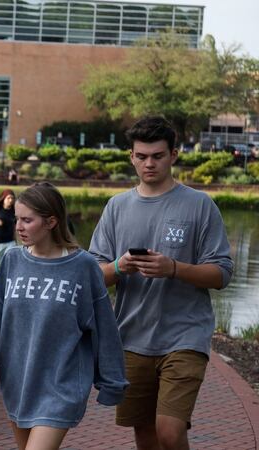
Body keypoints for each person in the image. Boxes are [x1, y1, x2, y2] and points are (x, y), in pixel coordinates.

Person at [88, 116, 233, 450]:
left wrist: (173, 268)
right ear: (131, 157)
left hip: (185, 336)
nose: (148, 163)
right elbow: (94, 275)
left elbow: (222, 273)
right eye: (141, 156)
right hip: (131, 337)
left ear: (174, 156)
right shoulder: (116, 207)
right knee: (146, 435)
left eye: (157, 155)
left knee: (169, 431)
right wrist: (120, 267)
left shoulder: (200, 205)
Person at [0, 182, 128, 450]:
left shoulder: (83, 267)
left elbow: (104, 328)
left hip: (61, 387)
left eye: (27, 220)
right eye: (17, 219)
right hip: (18, 385)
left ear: (51, 221)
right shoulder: (11, 261)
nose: (18, 227)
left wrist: (112, 382)